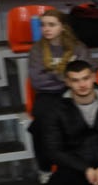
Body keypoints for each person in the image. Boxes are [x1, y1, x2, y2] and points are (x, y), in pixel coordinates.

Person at [27, 9, 91, 170]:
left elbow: (86, 75)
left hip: (75, 93)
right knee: (41, 123)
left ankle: (87, 163)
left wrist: (52, 74)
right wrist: (67, 77)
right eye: (43, 25)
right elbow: (38, 82)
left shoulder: (78, 48)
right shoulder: (37, 49)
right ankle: (45, 169)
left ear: (62, 27)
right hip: (47, 95)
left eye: (51, 25)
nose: (46, 29)